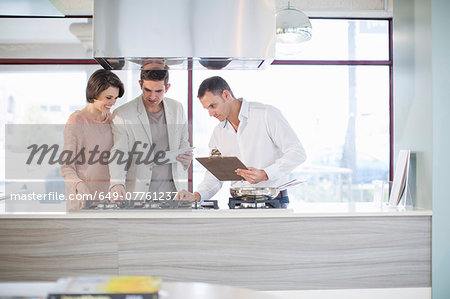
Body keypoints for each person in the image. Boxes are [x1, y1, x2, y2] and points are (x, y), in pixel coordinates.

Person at [175, 76, 306, 208]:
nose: (210, 113)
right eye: (207, 109)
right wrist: (196, 196)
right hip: (239, 204)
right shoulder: (218, 133)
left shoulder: (266, 114)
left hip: (273, 201)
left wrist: (266, 174)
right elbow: (215, 175)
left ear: (226, 95)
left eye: (213, 106)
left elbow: (297, 153)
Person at [109, 62, 192, 201]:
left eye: (158, 91)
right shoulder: (123, 114)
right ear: (140, 84)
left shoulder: (177, 108)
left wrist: (186, 157)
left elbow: (184, 142)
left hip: (174, 195)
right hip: (139, 195)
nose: (152, 96)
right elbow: (119, 150)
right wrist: (117, 183)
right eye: (148, 90)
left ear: (168, 87)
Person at [60, 69, 125, 210]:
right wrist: (78, 184)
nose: (113, 102)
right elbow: (66, 167)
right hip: (83, 199)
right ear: (95, 94)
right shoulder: (76, 120)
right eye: (108, 98)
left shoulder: (112, 120)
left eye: (115, 98)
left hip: (108, 201)